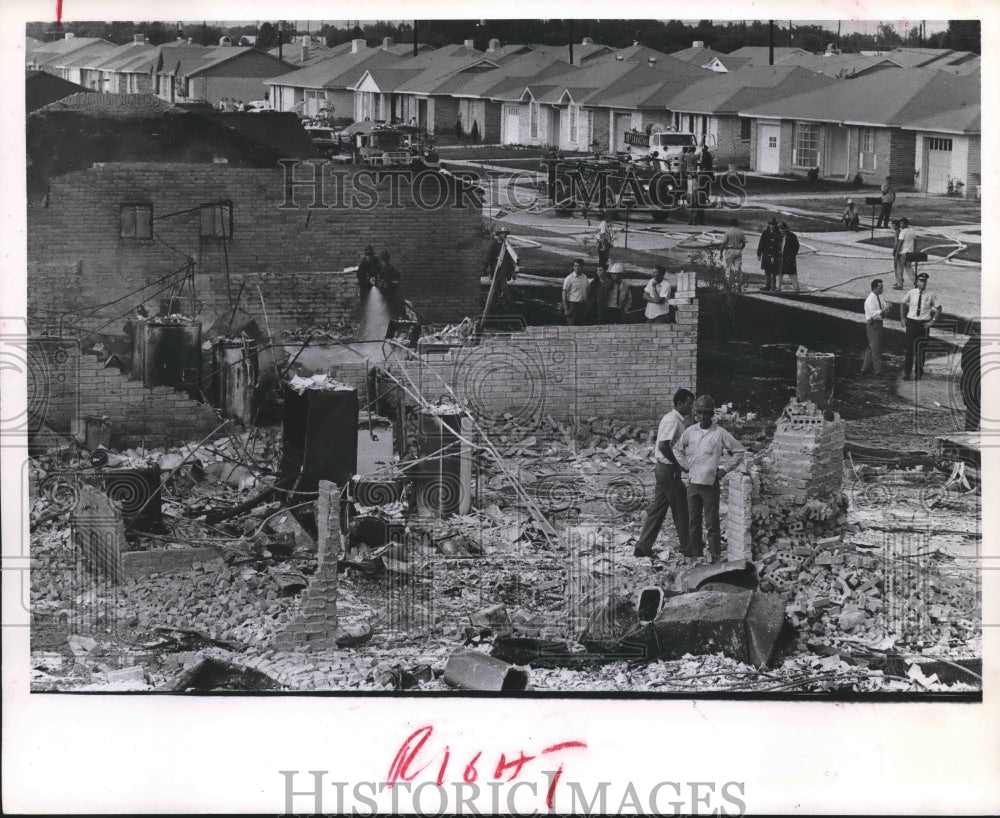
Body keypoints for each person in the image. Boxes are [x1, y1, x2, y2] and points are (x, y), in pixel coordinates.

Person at [674, 394, 746, 564]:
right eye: (700, 413)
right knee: (693, 521)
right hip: (693, 483)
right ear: (696, 414)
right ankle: (696, 554)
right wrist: (686, 465)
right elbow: (677, 449)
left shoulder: (720, 433)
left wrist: (725, 469)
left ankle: (715, 556)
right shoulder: (690, 432)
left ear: (712, 414)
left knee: (711, 523)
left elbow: (739, 451)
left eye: (707, 413)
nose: (703, 417)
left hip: (710, 484)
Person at [633, 389, 696, 558]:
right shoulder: (673, 421)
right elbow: (663, 446)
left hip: (664, 469)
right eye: (689, 403)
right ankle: (688, 547)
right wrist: (679, 465)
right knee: (682, 508)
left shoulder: (674, 419)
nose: (691, 407)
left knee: (658, 509)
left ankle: (643, 546)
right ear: (680, 403)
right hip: (668, 470)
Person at [900, 272, 941, 381]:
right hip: (912, 323)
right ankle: (907, 373)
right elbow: (903, 303)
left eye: (925, 281)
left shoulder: (931, 294)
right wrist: (902, 318)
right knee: (909, 350)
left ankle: (919, 373)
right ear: (917, 282)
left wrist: (932, 321)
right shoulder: (911, 292)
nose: (923, 283)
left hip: (923, 325)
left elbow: (939, 308)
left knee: (921, 350)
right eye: (921, 281)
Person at [860, 279, 889, 377]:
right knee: (876, 348)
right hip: (873, 324)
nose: (882, 289)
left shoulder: (879, 297)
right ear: (875, 288)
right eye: (880, 288)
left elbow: (883, 305)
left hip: (878, 323)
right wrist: (884, 309)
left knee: (871, 347)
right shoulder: (869, 300)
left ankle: (864, 369)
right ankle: (878, 371)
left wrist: (886, 308)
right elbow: (873, 314)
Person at [961, 325, 981, 431]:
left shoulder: (968, 344)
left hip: (968, 384)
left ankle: (966, 443)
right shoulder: (982, 346)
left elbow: (963, 365)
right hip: (978, 385)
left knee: (971, 419)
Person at [562, 258, 590, 325]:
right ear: (573, 267)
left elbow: (587, 289)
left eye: (579, 266)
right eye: (575, 266)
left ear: (582, 267)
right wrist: (566, 309)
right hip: (573, 305)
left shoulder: (584, 277)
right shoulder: (569, 278)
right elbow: (564, 293)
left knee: (582, 326)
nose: (577, 268)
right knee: (572, 326)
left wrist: (587, 302)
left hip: (582, 306)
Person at [757, 218, 781, 291]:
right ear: (769, 225)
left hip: (775, 254)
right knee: (767, 270)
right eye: (771, 224)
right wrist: (759, 254)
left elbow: (778, 246)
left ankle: (773, 286)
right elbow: (761, 244)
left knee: (774, 271)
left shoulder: (778, 233)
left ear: (775, 225)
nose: (772, 226)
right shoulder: (765, 233)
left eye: (773, 225)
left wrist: (774, 255)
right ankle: (767, 285)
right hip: (766, 254)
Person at [721, 218, 746, 289]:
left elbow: (724, 243)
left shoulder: (728, 232)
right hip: (738, 250)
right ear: (736, 223)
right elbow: (744, 243)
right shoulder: (740, 232)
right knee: (737, 267)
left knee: (728, 267)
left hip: (730, 250)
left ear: (730, 223)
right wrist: (741, 249)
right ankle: (738, 283)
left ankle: (727, 284)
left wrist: (721, 252)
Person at [776, 222, 801, 292]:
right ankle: (778, 287)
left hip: (789, 258)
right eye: (780, 229)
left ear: (786, 229)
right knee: (779, 272)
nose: (781, 231)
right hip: (781, 257)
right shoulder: (779, 236)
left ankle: (796, 288)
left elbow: (796, 246)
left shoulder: (792, 236)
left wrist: (792, 255)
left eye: (782, 229)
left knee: (792, 273)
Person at [897, 217, 918, 285]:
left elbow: (900, 243)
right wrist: (914, 250)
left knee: (900, 268)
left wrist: (897, 253)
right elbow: (915, 241)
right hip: (910, 252)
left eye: (902, 223)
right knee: (908, 267)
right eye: (900, 223)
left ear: (906, 224)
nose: (900, 225)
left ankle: (899, 283)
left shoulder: (902, 232)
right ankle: (915, 281)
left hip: (903, 252)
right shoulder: (912, 231)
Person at [890, 219, 905, 289]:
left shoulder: (897, 233)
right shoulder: (901, 231)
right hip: (902, 251)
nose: (893, 227)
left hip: (898, 251)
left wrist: (894, 250)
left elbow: (896, 243)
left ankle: (898, 281)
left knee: (896, 267)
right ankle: (901, 279)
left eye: (894, 225)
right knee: (900, 266)